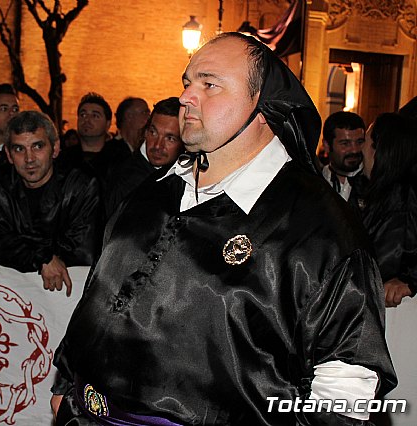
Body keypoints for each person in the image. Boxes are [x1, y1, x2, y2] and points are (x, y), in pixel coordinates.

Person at [51, 33, 395, 425]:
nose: (186, 97)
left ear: (263, 107)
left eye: (209, 84)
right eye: (187, 82)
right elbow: (102, 290)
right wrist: (66, 380)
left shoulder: (320, 228)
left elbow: (346, 388)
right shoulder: (153, 192)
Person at [0, 111, 101, 296]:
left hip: (67, 297)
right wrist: (42, 257)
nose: (29, 159)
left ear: (55, 148)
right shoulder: (0, 184)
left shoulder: (80, 185)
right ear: (9, 154)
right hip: (11, 294)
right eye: (19, 149)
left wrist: (27, 249)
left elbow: (81, 250)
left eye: (37, 146)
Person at [361, 113, 417, 308]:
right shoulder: (391, 198)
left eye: (365, 142)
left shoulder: (400, 204)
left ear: (380, 151)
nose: (361, 149)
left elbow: (378, 269)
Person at [106, 96, 183, 217]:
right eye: (153, 132)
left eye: (170, 138)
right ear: (146, 132)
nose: (158, 145)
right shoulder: (125, 180)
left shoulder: (186, 176)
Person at [56, 92, 130, 182]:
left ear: (108, 124)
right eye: (83, 115)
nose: (87, 119)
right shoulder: (63, 160)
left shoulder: (121, 161)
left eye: (95, 116)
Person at [321, 111, 367, 208]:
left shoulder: (374, 183)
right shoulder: (315, 181)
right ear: (327, 145)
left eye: (359, 142)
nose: (354, 150)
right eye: (345, 143)